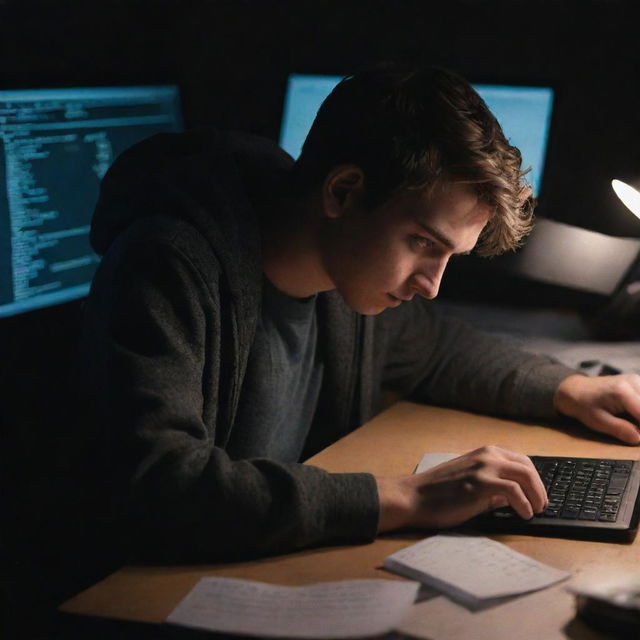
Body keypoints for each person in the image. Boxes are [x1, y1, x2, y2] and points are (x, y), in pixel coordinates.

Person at [74, 65, 640, 569]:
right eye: (422, 242)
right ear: (343, 192)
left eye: (448, 258)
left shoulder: (344, 279)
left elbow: (438, 347)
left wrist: (572, 390)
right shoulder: (167, 264)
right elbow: (162, 488)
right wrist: (407, 499)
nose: (431, 284)